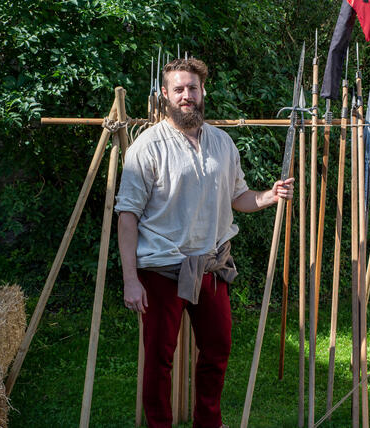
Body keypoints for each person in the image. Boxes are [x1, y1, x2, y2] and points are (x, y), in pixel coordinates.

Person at [115, 57, 294, 428]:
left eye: (192, 88)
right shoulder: (146, 147)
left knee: (217, 349)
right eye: (178, 89)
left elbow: (238, 196)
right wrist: (130, 278)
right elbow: (127, 215)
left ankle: (208, 422)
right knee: (160, 358)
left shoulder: (222, 142)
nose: (186, 96)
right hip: (162, 269)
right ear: (165, 95)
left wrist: (267, 196)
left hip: (211, 266)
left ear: (202, 91)